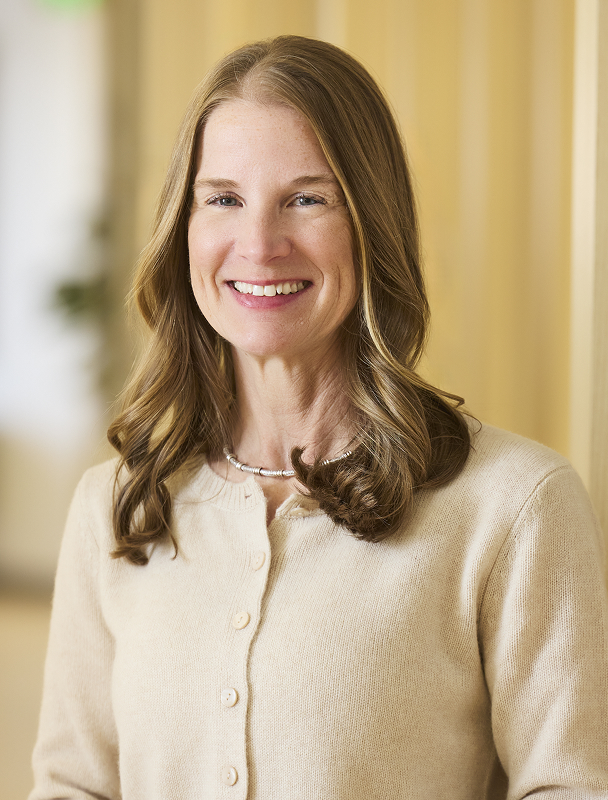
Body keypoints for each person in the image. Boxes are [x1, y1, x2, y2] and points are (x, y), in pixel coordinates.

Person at [30, 35, 608, 800]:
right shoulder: (115, 507)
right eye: (224, 199)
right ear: (184, 229)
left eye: (307, 199)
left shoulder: (515, 507)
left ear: (371, 222)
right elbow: (74, 785)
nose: (260, 245)